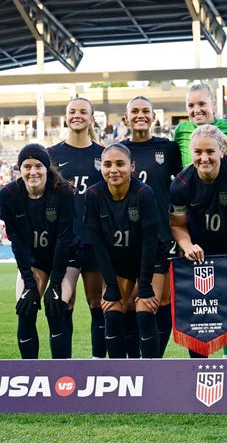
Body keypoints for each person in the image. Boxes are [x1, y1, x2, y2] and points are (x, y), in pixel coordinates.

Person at [169, 124, 227, 358]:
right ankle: (200, 369)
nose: (204, 158)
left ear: (221, 150)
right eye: (198, 152)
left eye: (210, 151)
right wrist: (188, 246)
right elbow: (177, 225)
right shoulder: (181, 183)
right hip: (202, 253)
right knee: (199, 310)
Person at [0, 143, 79, 359]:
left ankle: (62, 376)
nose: (32, 171)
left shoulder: (62, 192)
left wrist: (54, 283)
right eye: (27, 166)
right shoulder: (7, 195)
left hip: (65, 258)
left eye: (38, 166)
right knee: (26, 310)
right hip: (34, 260)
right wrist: (28, 282)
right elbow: (15, 240)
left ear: (46, 168)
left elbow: (64, 241)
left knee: (55, 307)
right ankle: (31, 375)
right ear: (19, 169)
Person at [84, 143, 161, 359]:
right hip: (116, 263)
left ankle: (150, 373)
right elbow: (98, 244)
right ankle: (120, 375)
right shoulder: (93, 195)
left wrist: (144, 283)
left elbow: (149, 242)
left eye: (120, 164)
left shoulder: (144, 194)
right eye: (107, 164)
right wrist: (110, 285)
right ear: (101, 168)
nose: (113, 170)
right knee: (112, 312)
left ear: (132, 166)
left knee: (145, 311)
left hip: (146, 261)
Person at [122, 95, 182, 357]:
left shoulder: (169, 149)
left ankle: (154, 360)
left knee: (162, 300)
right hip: (127, 238)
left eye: (145, 111)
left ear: (154, 116)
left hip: (161, 236)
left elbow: (180, 191)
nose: (140, 115)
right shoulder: (117, 150)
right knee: (129, 301)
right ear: (126, 118)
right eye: (134, 111)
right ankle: (135, 360)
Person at [48, 97, 106, 359]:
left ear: (91, 118)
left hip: (95, 240)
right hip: (65, 241)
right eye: (72, 111)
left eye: (83, 112)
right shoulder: (51, 155)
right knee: (63, 302)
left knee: (98, 303)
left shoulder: (103, 155)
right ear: (66, 117)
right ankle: (64, 366)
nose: (77, 115)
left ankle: (97, 364)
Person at [173, 83, 227, 165]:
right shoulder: (181, 130)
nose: (196, 110)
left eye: (202, 104)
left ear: (213, 105)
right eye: (191, 105)